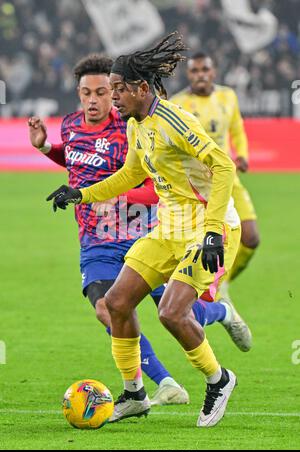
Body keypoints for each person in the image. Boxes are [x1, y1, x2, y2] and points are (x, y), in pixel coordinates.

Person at [46, 33, 247, 428]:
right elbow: (131, 174)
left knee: (172, 312)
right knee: (118, 303)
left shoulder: (175, 120)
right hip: (168, 229)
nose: (114, 97)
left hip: (209, 228)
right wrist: (81, 193)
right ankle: (135, 393)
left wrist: (211, 233)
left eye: (119, 90)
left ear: (141, 88)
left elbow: (223, 166)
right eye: (112, 90)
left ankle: (218, 379)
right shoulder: (137, 125)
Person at [171, 52, 260, 301]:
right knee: (200, 243)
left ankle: (224, 284)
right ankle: (203, 292)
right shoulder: (178, 103)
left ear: (213, 71)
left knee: (251, 238)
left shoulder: (227, 96)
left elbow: (237, 129)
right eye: (195, 71)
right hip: (197, 184)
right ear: (188, 74)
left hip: (227, 176)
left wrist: (241, 154)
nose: (200, 75)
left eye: (204, 69)